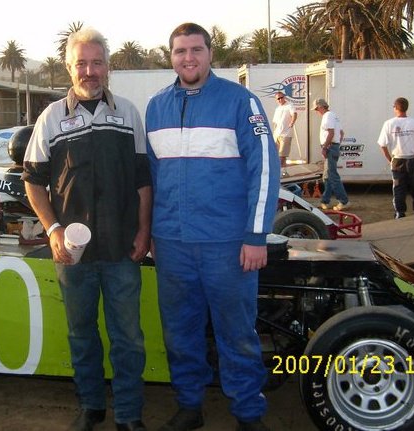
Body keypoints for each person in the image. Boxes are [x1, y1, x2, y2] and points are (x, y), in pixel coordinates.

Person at [145, 23, 279, 431]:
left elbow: (265, 169)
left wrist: (256, 236)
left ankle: (248, 414)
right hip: (172, 244)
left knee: (236, 333)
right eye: (180, 51)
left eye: (196, 49)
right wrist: (151, 234)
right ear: (170, 56)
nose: (188, 58)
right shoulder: (156, 107)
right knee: (179, 332)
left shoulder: (241, 101)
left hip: (227, 244)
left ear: (210, 53)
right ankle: (190, 406)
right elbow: (152, 177)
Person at [22, 28, 151, 431]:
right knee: (81, 334)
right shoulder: (50, 118)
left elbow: (143, 181)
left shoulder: (128, 114)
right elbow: (33, 182)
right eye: (81, 63)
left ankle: (128, 414)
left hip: (121, 249)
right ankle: (91, 407)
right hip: (72, 255)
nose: (89, 71)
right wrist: (53, 229)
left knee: (128, 337)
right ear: (69, 67)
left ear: (108, 67)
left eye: (97, 63)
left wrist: (144, 232)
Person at [377, 97, 414, 218]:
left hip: (397, 159)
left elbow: (382, 145)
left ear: (395, 108)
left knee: (399, 188)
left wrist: (390, 160)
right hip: (413, 159)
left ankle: (400, 213)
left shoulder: (389, 123)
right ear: (406, 108)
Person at [313, 98, 350, 211]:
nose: (316, 112)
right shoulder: (334, 115)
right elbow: (341, 133)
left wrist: (325, 147)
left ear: (321, 107)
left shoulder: (327, 116)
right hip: (333, 147)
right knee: (327, 176)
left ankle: (344, 201)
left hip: (330, 147)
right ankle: (325, 201)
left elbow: (331, 132)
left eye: (316, 109)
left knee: (332, 175)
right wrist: (336, 145)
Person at [271, 91, 297, 167]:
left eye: (281, 97)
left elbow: (294, 114)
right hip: (277, 135)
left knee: (282, 156)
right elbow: (275, 122)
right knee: (277, 155)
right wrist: (274, 133)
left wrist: (292, 122)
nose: (280, 99)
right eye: (278, 98)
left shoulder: (290, 105)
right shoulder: (277, 109)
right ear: (276, 100)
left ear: (284, 97)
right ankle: (282, 171)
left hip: (286, 134)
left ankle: (282, 171)